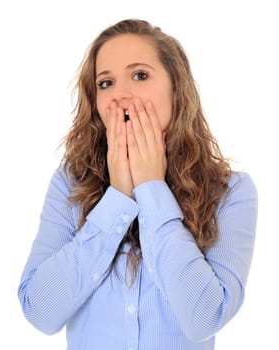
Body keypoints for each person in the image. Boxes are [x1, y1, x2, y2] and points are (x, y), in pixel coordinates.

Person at [18, 19, 258, 350]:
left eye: (140, 75)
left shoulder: (230, 192)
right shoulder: (69, 184)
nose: (120, 96)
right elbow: (40, 311)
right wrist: (118, 198)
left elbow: (205, 316)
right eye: (106, 83)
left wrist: (151, 188)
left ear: (176, 88)